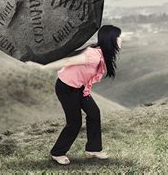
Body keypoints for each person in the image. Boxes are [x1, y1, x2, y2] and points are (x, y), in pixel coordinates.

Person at [25, 25, 122, 165]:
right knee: (74, 122)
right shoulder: (94, 56)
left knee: (94, 113)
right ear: (111, 39)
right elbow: (68, 61)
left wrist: (86, 90)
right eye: (118, 36)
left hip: (79, 88)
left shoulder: (101, 53)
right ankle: (57, 152)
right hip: (66, 88)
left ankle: (93, 149)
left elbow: (85, 74)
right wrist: (43, 67)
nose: (121, 39)